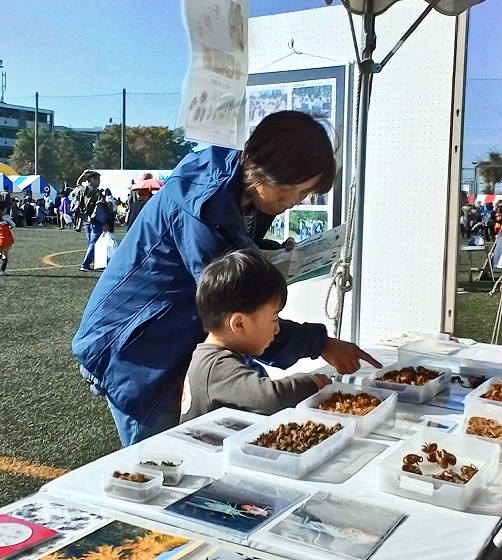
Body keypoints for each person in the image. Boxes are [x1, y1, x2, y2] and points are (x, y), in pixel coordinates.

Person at [72, 110, 380, 447]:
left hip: (177, 337)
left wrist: (269, 251)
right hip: (138, 350)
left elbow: (234, 261)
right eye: (291, 191)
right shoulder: (204, 205)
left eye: (303, 195)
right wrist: (319, 343)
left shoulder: (244, 192)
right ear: (263, 168)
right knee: (162, 460)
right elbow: (237, 307)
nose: (293, 202)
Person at [180, 250, 331, 423]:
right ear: (239, 324)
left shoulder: (212, 357)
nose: (277, 330)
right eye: (274, 319)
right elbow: (270, 398)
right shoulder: (217, 366)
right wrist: (312, 382)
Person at [79, 171, 109, 272]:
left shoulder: (82, 190)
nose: (99, 181)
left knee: (90, 243)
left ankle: (90, 262)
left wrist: (83, 175)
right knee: (94, 243)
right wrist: (104, 222)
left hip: (86, 219)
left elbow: (78, 183)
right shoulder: (96, 192)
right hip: (95, 220)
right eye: (97, 179)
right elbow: (101, 207)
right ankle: (85, 264)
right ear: (92, 179)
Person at [0, 202, 15, 276]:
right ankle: (2, 270)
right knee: (5, 255)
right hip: (5, 238)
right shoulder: (6, 217)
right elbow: (13, 225)